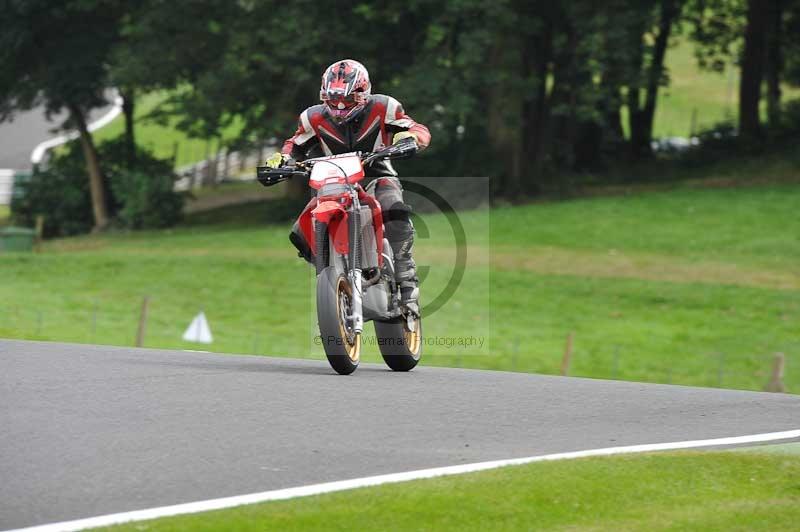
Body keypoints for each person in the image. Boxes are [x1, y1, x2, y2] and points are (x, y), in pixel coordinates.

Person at [265, 59, 431, 312]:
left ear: (364, 93)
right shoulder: (311, 117)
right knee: (300, 230)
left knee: (393, 208)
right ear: (324, 96)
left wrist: (410, 139)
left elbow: (416, 128)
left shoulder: (385, 106)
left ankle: (407, 280)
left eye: (348, 100)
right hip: (333, 182)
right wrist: (280, 162)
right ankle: (331, 274)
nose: (340, 107)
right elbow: (293, 145)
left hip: (377, 175)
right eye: (333, 101)